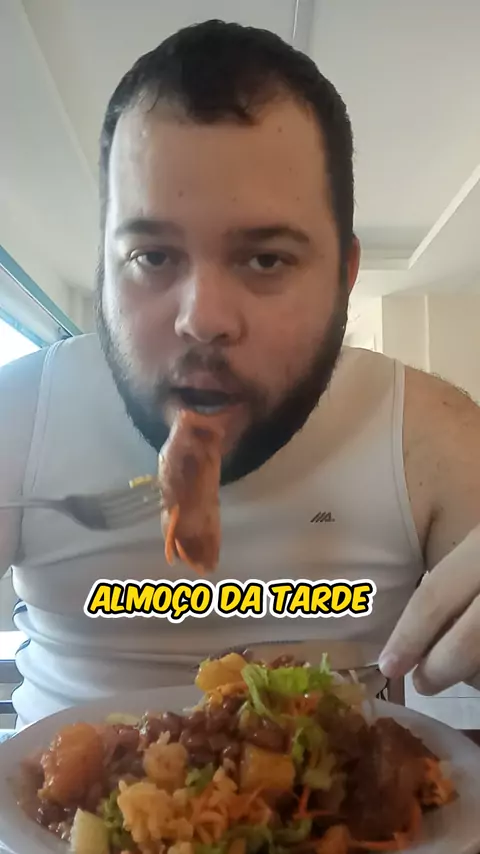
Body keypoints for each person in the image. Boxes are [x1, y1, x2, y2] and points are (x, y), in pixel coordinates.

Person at [0, 21, 479, 729]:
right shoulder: (19, 415)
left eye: (266, 259)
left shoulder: (427, 433)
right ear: (103, 268)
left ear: (344, 277)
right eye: (152, 257)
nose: (204, 320)